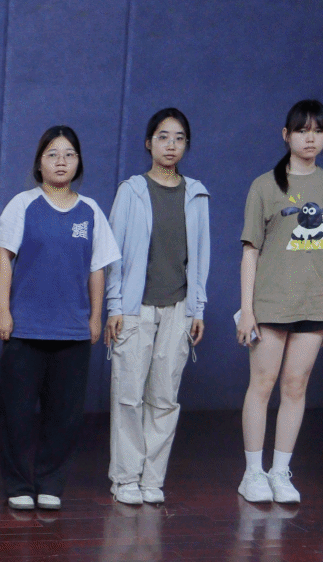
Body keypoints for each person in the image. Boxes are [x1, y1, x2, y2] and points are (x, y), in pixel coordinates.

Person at [0, 125, 119, 512]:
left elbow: (98, 268)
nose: (61, 161)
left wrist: (96, 317)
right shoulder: (23, 204)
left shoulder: (90, 211)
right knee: (17, 414)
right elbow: (3, 259)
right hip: (25, 329)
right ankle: (18, 484)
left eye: (69, 154)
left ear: (78, 162)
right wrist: (2, 310)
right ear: (39, 163)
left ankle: (50, 483)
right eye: (52, 154)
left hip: (72, 332)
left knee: (64, 416)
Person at [237, 99, 323, 505]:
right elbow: (250, 251)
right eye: (302, 130)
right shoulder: (264, 185)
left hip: (314, 305)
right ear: (286, 135)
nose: (310, 138)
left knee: (295, 386)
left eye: (318, 131)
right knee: (262, 384)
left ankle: (280, 472)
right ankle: (253, 473)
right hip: (271, 304)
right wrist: (247, 310)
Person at [105, 108, 210, 506]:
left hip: (178, 309)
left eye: (179, 138)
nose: (171, 145)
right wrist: (115, 305)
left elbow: (201, 256)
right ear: (149, 143)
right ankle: (125, 478)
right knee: (128, 396)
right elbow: (113, 253)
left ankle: (152, 478)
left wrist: (197, 309)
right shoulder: (131, 190)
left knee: (165, 398)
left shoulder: (196, 194)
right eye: (163, 137)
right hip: (135, 309)